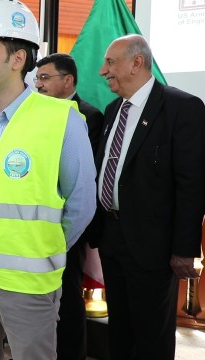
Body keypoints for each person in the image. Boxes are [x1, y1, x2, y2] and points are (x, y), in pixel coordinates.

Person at [0, 1, 96, 359]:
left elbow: (81, 203)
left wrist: (41, 247)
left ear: (17, 60)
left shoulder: (62, 118)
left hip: (29, 285)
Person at [91, 34, 205, 360]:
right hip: (112, 239)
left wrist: (185, 249)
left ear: (136, 62)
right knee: (120, 332)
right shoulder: (113, 109)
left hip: (154, 246)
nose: (103, 71)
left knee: (151, 336)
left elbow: (192, 184)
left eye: (110, 62)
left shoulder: (181, 107)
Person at [35, 52, 105, 360]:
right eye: (37, 78)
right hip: (37, 225)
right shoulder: (36, 114)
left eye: (45, 78)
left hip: (68, 224)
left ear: (68, 81)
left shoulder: (88, 115)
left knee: (68, 296)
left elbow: (80, 179)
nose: (38, 85)